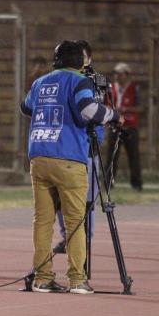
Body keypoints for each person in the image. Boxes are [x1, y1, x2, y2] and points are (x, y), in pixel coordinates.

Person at [21, 40, 121, 294]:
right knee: (77, 221)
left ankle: (42, 277)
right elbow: (88, 110)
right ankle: (77, 279)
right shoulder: (80, 81)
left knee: (42, 222)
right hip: (68, 158)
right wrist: (112, 115)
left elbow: (26, 107)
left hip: (39, 156)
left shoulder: (40, 82)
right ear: (80, 62)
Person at [55, 40, 103, 254]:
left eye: (82, 58)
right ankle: (68, 237)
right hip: (63, 149)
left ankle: (86, 239)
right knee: (59, 201)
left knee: (86, 201)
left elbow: (97, 115)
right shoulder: (64, 80)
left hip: (86, 150)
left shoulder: (94, 84)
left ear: (89, 59)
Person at [106, 62, 143, 191]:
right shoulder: (111, 88)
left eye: (120, 74)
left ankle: (136, 184)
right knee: (111, 157)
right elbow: (107, 105)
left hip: (130, 127)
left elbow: (140, 107)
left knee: (133, 157)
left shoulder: (134, 88)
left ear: (126, 75)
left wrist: (126, 109)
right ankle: (108, 183)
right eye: (115, 73)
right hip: (115, 126)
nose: (116, 76)